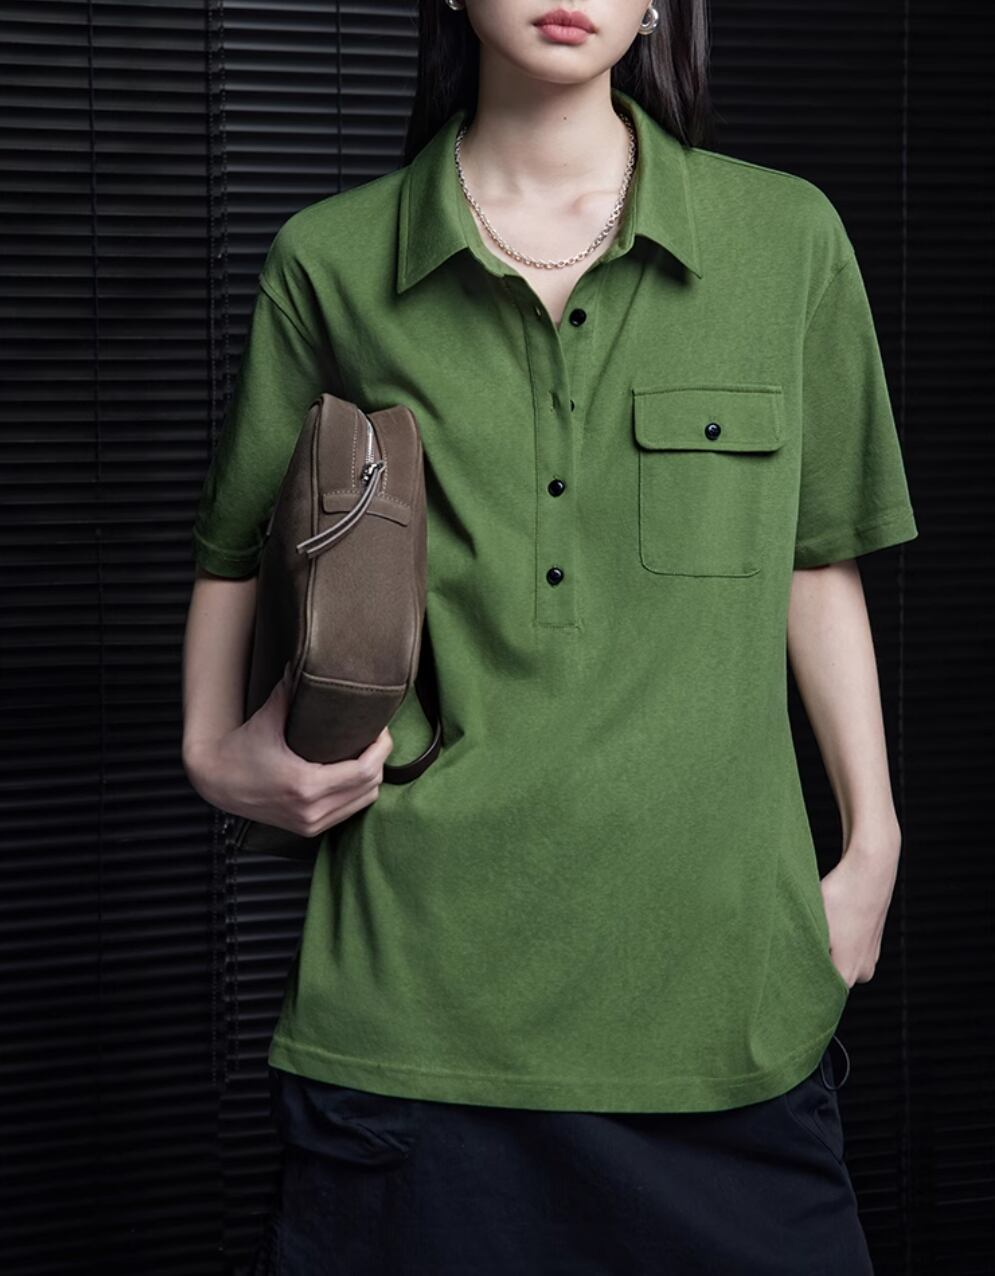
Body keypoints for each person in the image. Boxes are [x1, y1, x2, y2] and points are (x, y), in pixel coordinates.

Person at [182, 2, 918, 1272]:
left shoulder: (785, 237)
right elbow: (232, 546)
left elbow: (813, 559)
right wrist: (210, 752)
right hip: (411, 1024)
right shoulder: (330, 257)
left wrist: (872, 841)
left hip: (726, 1013)